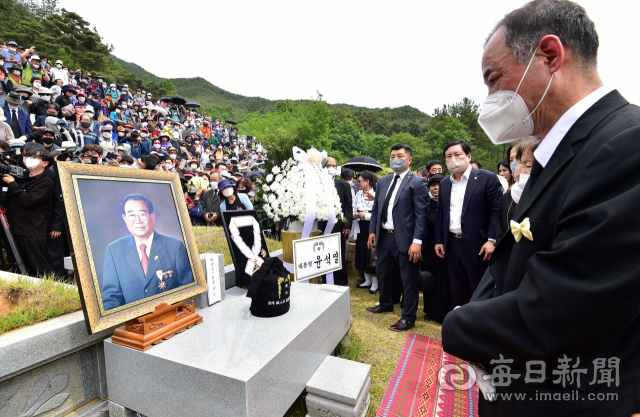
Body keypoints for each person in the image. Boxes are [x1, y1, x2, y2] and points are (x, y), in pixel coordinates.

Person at [442, 1, 640, 415]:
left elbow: (566, 305)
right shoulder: (558, 154)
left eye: (494, 80)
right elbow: (507, 265)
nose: (490, 99)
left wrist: (458, 323)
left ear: (550, 56)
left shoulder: (626, 144)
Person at [365, 144, 428, 331]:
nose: (395, 159)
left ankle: (408, 317)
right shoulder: (383, 181)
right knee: (382, 271)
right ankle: (386, 303)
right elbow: (376, 208)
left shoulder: (417, 182)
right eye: (392, 156)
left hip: (406, 239)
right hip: (384, 235)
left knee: (408, 277)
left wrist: (417, 241)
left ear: (409, 160)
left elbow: (421, 215)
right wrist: (372, 230)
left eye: (399, 156)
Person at [434, 140, 502, 307]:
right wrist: (439, 240)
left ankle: (479, 329)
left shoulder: (487, 178)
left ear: (468, 156)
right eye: (448, 156)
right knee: (457, 289)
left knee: (478, 290)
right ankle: (460, 326)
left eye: (457, 154)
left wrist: (491, 240)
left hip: (478, 244)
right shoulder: (444, 184)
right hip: (451, 244)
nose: (453, 159)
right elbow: (441, 213)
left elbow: (497, 211)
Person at [101, 194, 195, 310]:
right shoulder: (114, 250)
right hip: (132, 324)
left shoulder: (175, 247)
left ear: (152, 216)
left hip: (170, 318)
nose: (138, 220)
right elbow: (111, 298)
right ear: (125, 219)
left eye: (142, 214)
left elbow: (187, 290)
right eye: (131, 215)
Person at [3, 143, 54, 276]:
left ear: (44, 163)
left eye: (34, 157)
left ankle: (47, 292)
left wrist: (12, 184)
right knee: (16, 266)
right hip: (14, 228)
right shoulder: (22, 176)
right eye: (26, 156)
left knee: (39, 268)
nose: (28, 159)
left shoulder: (46, 182)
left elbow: (28, 200)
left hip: (31, 231)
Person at [420, 173, 453, 321]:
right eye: (432, 185)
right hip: (429, 248)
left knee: (445, 280)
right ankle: (430, 311)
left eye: (439, 185)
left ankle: (445, 312)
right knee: (430, 279)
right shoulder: (425, 203)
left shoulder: (450, 203)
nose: (436, 188)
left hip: (447, 247)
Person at [325, 157, 353, 286]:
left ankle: (340, 281)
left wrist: (347, 225)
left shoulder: (344, 185)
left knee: (338, 252)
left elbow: (348, 206)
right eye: (328, 165)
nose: (331, 168)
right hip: (321, 224)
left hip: (338, 225)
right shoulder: (316, 184)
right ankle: (325, 278)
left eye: (334, 165)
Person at [352, 171, 377, 293]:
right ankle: (367, 280)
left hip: (371, 226)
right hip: (360, 225)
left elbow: (379, 214)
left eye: (360, 181)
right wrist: (356, 215)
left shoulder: (376, 194)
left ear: (367, 181)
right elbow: (355, 207)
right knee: (363, 253)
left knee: (372, 254)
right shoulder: (358, 194)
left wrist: (365, 215)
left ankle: (375, 283)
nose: (358, 183)